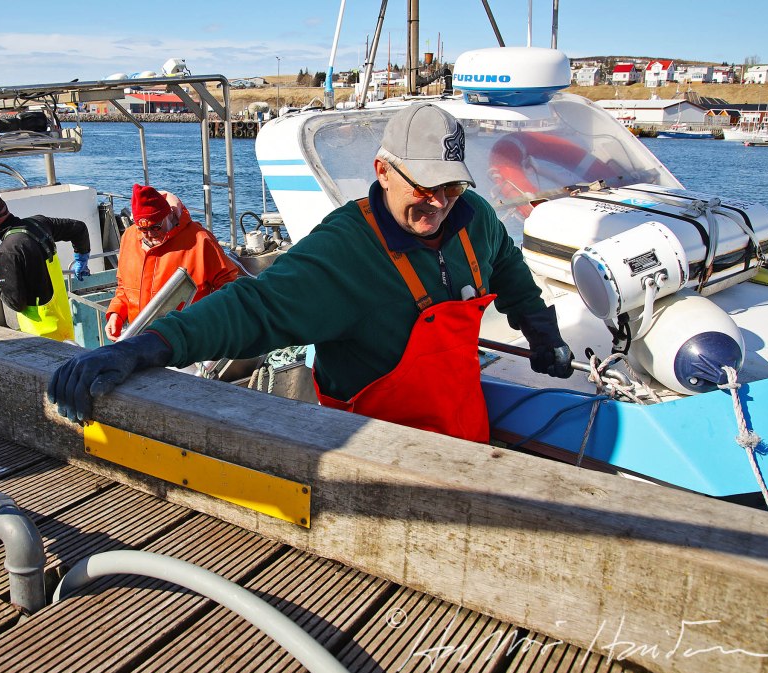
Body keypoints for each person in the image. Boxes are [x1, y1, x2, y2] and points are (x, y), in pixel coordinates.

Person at [48, 103, 573, 442]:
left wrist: (539, 328)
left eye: (452, 186)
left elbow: (507, 265)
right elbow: (256, 307)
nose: (439, 202)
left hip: (467, 435)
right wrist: (146, 347)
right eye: (425, 186)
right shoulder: (346, 249)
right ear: (383, 171)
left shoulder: (474, 217)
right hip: (379, 453)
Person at [103, 184, 239, 341]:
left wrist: (207, 321)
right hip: (139, 338)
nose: (150, 235)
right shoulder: (129, 237)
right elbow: (123, 287)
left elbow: (228, 286)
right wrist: (116, 314)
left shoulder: (200, 240)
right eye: (143, 230)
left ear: (168, 216)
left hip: (187, 338)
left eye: (156, 227)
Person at [0, 192, 91, 341]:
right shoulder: (38, 224)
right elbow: (78, 228)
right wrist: (82, 258)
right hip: (64, 325)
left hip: (41, 337)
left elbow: (16, 303)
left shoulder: (7, 251)